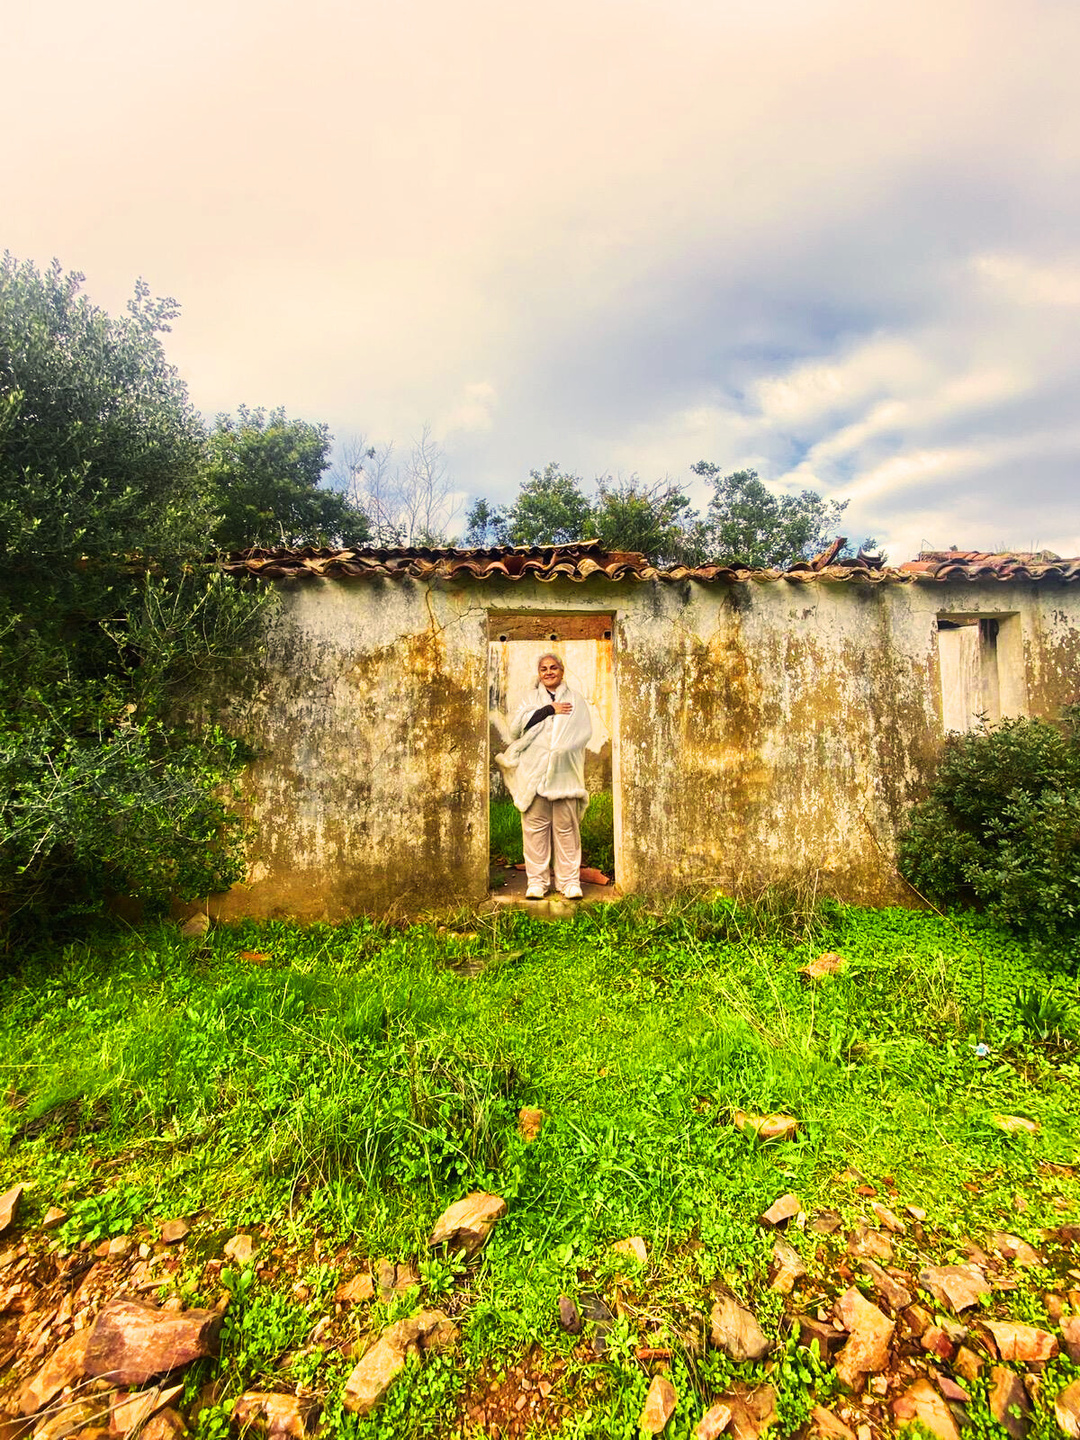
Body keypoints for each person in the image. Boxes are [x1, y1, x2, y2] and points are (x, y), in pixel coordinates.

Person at [495, 653, 592, 899]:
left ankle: (569, 882)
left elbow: (582, 731)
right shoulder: (530, 698)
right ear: (539, 673)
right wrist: (548, 709)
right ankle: (536, 882)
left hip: (564, 774)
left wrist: (561, 749)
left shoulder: (576, 700)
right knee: (535, 829)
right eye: (543, 668)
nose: (549, 672)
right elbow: (518, 728)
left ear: (562, 671)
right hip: (534, 774)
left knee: (567, 829)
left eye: (553, 667)